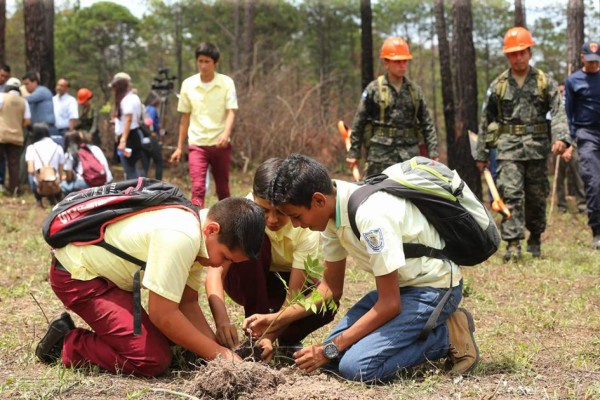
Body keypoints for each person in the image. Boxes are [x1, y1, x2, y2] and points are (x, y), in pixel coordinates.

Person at [243, 154, 477, 382]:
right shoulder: (331, 213)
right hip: (401, 290)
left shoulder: (370, 217)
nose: (295, 224)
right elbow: (329, 289)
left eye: (296, 216)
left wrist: (329, 348)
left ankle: (447, 335)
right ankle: (415, 332)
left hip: (432, 290)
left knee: (357, 367)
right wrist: (276, 320)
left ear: (318, 200)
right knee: (334, 361)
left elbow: (390, 304)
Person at [35, 196, 265, 377]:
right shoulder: (181, 235)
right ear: (212, 230)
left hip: (115, 282)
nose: (219, 265)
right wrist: (221, 355)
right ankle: (65, 343)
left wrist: (218, 352)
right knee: (150, 359)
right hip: (80, 277)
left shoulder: (198, 233)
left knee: (180, 340)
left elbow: (187, 302)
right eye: (225, 257)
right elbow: (162, 314)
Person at [205, 158, 335, 362]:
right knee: (254, 241)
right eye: (264, 210)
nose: (272, 220)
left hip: (284, 282)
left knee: (324, 303)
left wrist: (271, 335)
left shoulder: (304, 223)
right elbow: (215, 272)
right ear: (254, 198)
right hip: (246, 278)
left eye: (281, 212)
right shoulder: (243, 212)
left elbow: (294, 294)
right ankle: (253, 333)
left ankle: (284, 338)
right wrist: (222, 320)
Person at [475, 26, 570, 261]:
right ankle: (513, 243)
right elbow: (486, 119)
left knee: (537, 196)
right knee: (511, 194)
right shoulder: (499, 85)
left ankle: (535, 237)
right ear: (507, 56)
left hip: (537, 148)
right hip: (508, 149)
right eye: (513, 54)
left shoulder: (544, 82)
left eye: (522, 53)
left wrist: (561, 138)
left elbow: (558, 112)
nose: (518, 58)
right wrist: (482, 153)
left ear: (529, 52)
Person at [346, 36, 439, 177]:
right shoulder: (374, 89)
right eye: (397, 61)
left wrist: (433, 152)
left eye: (405, 61)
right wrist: (354, 152)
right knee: (376, 195)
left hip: (409, 156)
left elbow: (427, 123)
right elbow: (359, 121)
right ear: (386, 62)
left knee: (411, 196)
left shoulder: (414, 91)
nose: (402, 65)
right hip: (380, 156)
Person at [170, 42, 237, 208]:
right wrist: (179, 146)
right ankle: (196, 221)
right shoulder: (188, 84)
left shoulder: (226, 83)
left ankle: (226, 223)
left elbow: (231, 111)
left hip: (220, 143)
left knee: (222, 189)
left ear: (216, 63)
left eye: (207, 61)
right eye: (200, 61)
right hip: (197, 144)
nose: (203, 65)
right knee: (198, 189)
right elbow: (185, 117)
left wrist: (226, 134)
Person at [565, 40, 600, 249]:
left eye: (596, 62)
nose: (593, 65)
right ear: (582, 58)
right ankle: (597, 231)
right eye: (590, 61)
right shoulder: (573, 81)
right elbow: (568, 113)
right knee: (594, 183)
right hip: (586, 135)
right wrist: (568, 142)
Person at [0, 77, 31, 195]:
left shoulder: (2, 97)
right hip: (17, 136)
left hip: (1, 135)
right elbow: (27, 121)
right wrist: (17, 124)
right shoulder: (24, 101)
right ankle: (14, 189)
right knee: (14, 164)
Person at [111, 72, 144, 180]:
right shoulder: (134, 97)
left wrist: (123, 140)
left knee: (129, 169)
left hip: (129, 137)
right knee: (132, 167)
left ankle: (134, 193)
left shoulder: (126, 100)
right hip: (134, 134)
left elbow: (128, 120)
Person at [24, 122, 64, 208]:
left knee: (32, 176)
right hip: (55, 184)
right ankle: (55, 197)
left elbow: (30, 170)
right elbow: (61, 173)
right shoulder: (58, 147)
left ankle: (38, 199)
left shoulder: (31, 148)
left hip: (40, 186)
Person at [60, 130, 112, 195]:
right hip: (106, 180)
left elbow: (69, 177)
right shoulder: (95, 148)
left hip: (89, 183)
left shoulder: (70, 154)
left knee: (63, 186)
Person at [22, 71, 56, 141]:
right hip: (37, 129)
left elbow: (28, 99)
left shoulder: (42, 91)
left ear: (35, 82)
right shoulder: (33, 95)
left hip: (47, 128)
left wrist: (14, 99)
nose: (25, 87)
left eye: (27, 84)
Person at [141, 91, 164, 180]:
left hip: (143, 139)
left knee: (145, 165)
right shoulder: (152, 109)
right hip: (151, 138)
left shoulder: (144, 108)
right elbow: (149, 123)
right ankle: (159, 184)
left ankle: (141, 186)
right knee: (159, 162)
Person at [53, 78, 79, 145]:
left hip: (65, 131)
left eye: (61, 86)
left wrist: (70, 132)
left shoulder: (71, 100)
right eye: (58, 85)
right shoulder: (53, 99)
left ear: (67, 88)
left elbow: (72, 117)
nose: (59, 87)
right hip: (53, 130)